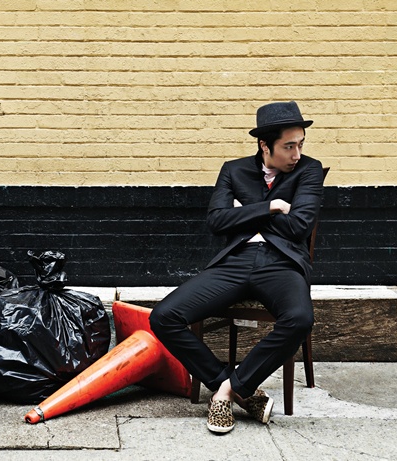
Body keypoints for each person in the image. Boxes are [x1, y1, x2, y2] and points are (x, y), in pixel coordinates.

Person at [149, 101, 324, 434]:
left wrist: (244, 210)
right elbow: (216, 222)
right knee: (164, 316)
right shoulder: (233, 170)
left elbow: (299, 227)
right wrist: (272, 207)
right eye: (289, 146)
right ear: (265, 145)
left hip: (282, 264)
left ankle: (229, 391)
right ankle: (225, 382)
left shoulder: (309, 170)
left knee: (300, 319)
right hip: (235, 261)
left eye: (301, 144)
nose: (297, 154)